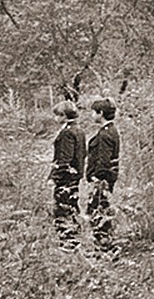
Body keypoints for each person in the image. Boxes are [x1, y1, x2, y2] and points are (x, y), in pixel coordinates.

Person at [86, 96, 121, 252]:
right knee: (101, 211)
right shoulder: (111, 131)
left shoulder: (105, 135)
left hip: (102, 181)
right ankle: (105, 246)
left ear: (100, 113)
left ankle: (105, 248)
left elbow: (103, 160)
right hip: (107, 180)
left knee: (98, 213)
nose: (92, 115)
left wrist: (96, 177)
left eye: (94, 112)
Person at [48, 100, 84, 248]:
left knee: (62, 208)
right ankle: (75, 238)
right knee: (72, 206)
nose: (55, 118)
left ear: (63, 115)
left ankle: (68, 242)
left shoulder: (67, 133)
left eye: (57, 115)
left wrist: (54, 177)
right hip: (75, 176)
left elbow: (64, 158)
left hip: (65, 178)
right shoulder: (79, 130)